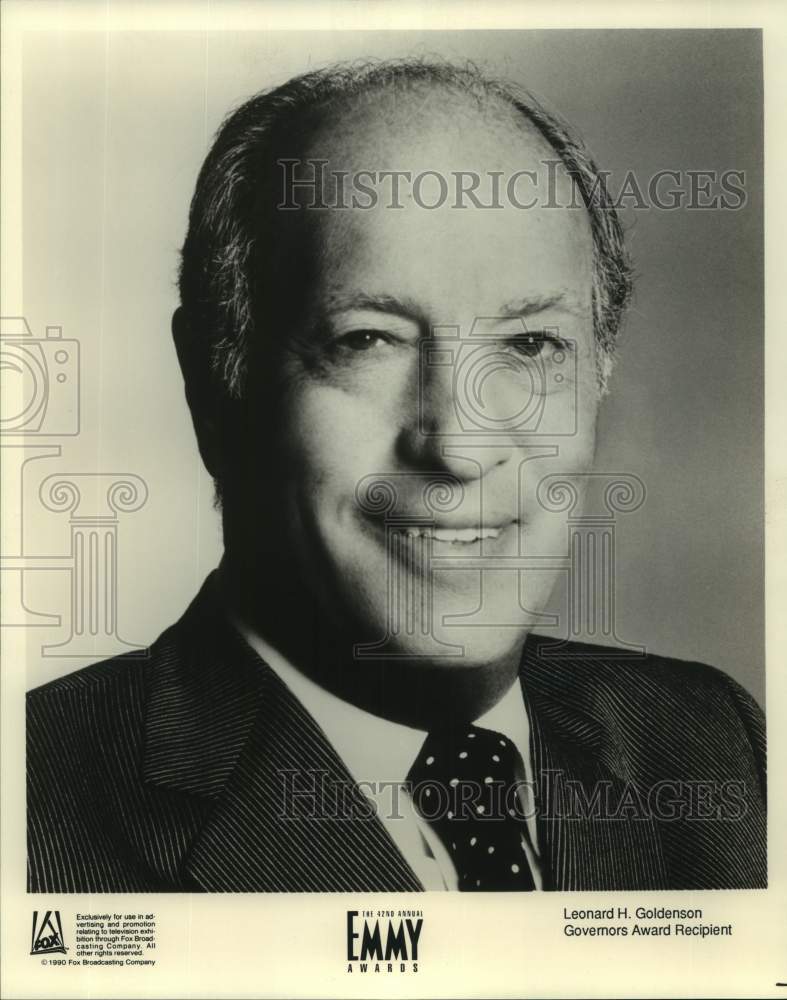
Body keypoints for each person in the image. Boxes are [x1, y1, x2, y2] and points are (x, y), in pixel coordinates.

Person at [27, 59, 765, 893]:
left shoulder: (711, 746)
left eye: (529, 345)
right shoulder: (34, 814)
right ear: (212, 386)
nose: (458, 445)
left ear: (598, 374)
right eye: (367, 340)